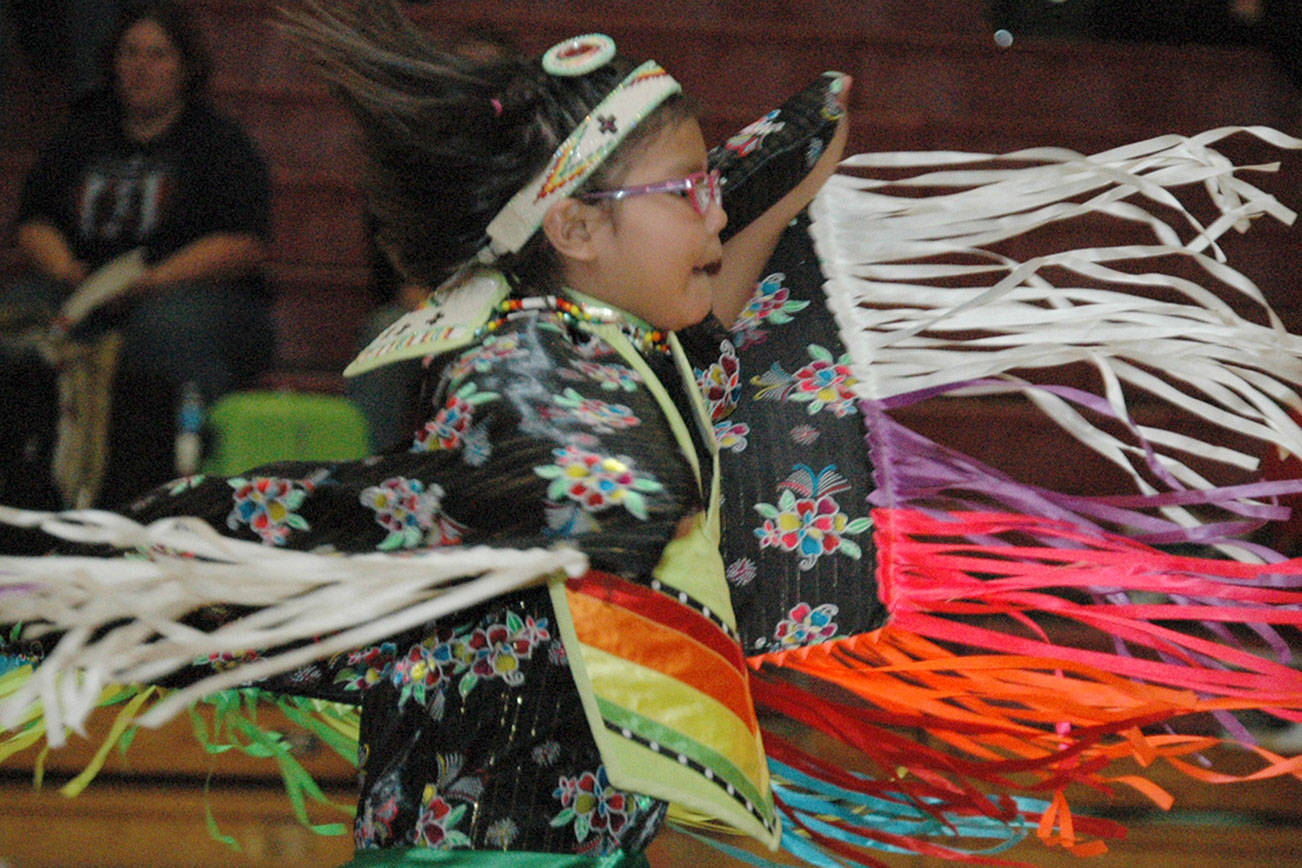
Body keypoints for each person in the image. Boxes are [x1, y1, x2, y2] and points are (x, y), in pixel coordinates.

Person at [6, 3, 1302, 867]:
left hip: (576, 829)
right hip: (479, 837)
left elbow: (703, 317)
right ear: (570, 231)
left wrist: (774, 172)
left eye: (701, 185)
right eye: (677, 189)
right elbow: (591, 484)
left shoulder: (619, 337)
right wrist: (603, 506)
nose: (701, 214)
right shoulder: (528, 366)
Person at [0, 0, 274, 515]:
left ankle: (149, 487)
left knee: (161, 330)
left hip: (185, 292)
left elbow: (245, 243)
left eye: (157, 55)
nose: (140, 68)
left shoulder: (217, 141)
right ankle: (27, 481)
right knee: (18, 317)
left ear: (185, 67)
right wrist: (63, 267)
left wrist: (156, 278)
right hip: (82, 285)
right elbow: (33, 220)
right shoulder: (83, 130)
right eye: (129, 53)